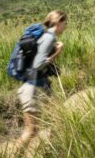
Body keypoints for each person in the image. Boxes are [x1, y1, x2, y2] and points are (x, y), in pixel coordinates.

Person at [17, 11, 67, 146]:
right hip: (33, 89)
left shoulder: (46, 37)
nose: (66, 26)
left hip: (39, 87)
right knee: (30, 132)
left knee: (59, 119)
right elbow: (38, 64)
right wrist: (58, 52)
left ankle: (54, 151)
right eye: (65, 23)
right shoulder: (49, 38)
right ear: (59, 22)